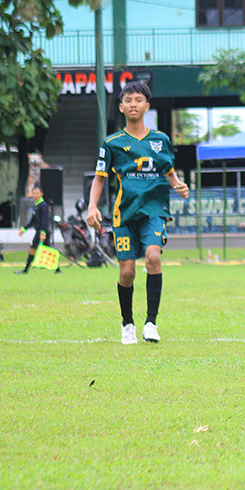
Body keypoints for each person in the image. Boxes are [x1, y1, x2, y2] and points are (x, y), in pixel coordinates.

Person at [86, 81, 190, 345]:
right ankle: (127, 324)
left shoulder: (161, 140)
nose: (134, 104)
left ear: (147, 106)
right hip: (124, 214)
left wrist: (177, 185)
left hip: (155, 211)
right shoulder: (111, 143)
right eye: (128, 100)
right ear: (121, 107)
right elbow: (100, 178)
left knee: (153, 257)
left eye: (138, 100)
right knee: (127, 273)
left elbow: (167, 171)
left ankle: (151, 324)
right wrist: (92, 206)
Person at [15, 182, 61, 274]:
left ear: (41, 194)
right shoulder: (37, 205)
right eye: (34, 193)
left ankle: (25, 270)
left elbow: (45, 220)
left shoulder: (43, 205)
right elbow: (33, 220)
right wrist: (24, 229)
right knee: (43, 249)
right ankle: (57, 269)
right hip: (40, 231)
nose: (35, 195)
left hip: (43, 231)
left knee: (36, 249)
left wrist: (43, 233)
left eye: (37, 193)